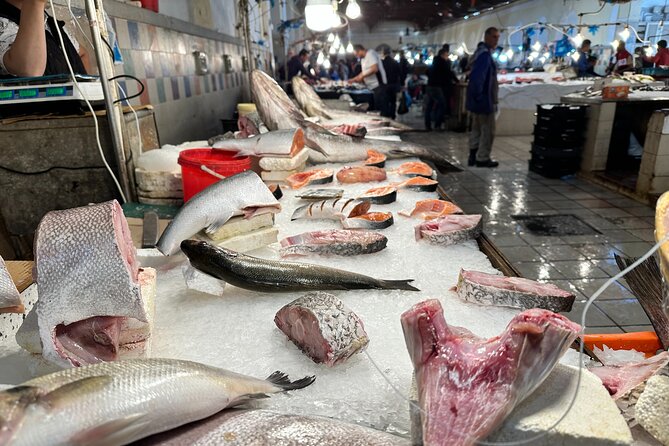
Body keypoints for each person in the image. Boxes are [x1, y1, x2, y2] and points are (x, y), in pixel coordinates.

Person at [0, 0, 89, 77]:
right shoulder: (4, 23)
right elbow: (30, 70)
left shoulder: (50, 23)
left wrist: (88, 89)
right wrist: (36, 3)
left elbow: (82, 54)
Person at [466, 26, 500, 168]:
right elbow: (479, 78)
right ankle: (482, 158)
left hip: (477, 100)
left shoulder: (479, 53)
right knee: (488, 131)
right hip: (484, 100)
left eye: (498, 37)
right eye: (494, 37)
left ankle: (472, 156)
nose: (496, 40)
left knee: (476, 129)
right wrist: (480, 98)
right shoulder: (485, 56)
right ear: (486, 37)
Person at [349, 44, 388, 115]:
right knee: (376, 108)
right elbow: (364, 72)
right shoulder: (363, 59)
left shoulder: (370, 54)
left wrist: (361, 76)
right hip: (372, 87)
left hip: (379, 85)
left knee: (381, 109)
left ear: (360, 51)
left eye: (356, 54)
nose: (356, 56)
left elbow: (374, 69)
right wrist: (355, 79)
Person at [425, 48, 456, 131]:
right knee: (442, 105)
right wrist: (456, 80)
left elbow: (427, 71)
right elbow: (449, 73)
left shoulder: (434, 61)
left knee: (429, 106)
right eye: (446, 55)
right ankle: (437, 124)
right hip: (436, 86)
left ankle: (428, 125)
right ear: (442, 55)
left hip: (429, 85)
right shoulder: (443, 62)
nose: (447, 57)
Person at [381, 49, 401, 119]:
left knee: (385, 101)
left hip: (385, 85)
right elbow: (399, 74)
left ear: (384, 54)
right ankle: (393, 115)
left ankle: (386, 115)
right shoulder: (395, 62)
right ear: (390, 54)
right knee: (393, 101)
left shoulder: (382, 63)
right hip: (393, 85)